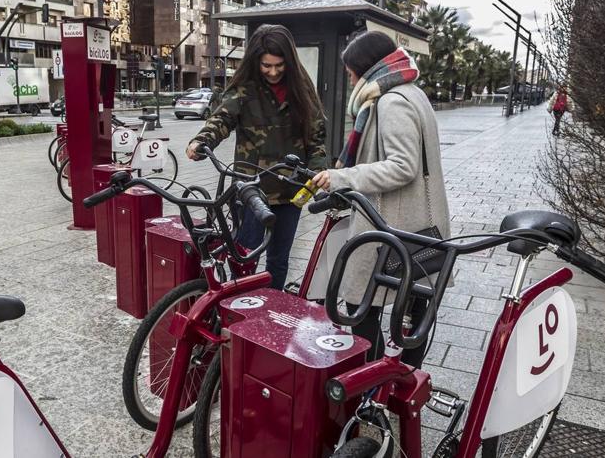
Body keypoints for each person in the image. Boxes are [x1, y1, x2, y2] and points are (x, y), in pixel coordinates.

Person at [310, 31, 451, 368]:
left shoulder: (392, 102)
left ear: (365, 68)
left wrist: (342, 177)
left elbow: (402, 167)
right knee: (417, 305)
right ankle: (407, 380)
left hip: (394, 224)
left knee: (362, 306)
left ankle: (368, 383)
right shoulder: (412, 93)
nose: (349, 78)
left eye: (350, 71)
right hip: (421, 222)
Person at [186, 24, 327, 290]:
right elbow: (222, 119)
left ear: (289, 61)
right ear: (256, 61)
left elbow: (317, 140)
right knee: (244, 258)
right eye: (266, 65)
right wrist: (201, 141)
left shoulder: (303, 91)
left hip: (290, 192)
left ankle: (270, 315)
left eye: (279, 65)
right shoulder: (244, 90)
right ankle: (241, 313)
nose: (273, 72)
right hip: (250, 190)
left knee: (278, 260)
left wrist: (319, 172)